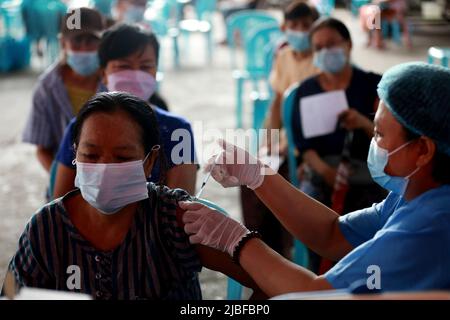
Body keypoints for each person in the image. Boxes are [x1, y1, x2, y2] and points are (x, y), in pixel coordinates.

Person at [180, 62, 450, 296]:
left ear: (424, 150)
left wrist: (236, 240)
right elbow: (332, 234)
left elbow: (314, 296)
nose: (374, 143)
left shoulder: (431, 225)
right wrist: (257, 174)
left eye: (378, 133)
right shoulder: (412, 193)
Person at [5, 92, 264, 300]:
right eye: (91, 155)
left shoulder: (176, 219)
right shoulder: (47, 228)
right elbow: (14, 294)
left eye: (123, 157)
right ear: (75, 154)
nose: (104, 167)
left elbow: (272, 282)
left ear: (150, 161)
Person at [52, 24, 198, 199]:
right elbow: (61, 204)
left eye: (145, 67)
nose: (136, 75)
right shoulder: (81, 127)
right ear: (103, 73)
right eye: (123, 66)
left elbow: (180, 209)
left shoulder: (177, 131)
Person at [289, 17, 386, 271]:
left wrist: (364, 124)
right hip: (322, 170)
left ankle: (367, 278)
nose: (325, 52)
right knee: (312, 218)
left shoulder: (374, 86)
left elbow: (392, 139)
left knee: (375, 225)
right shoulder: (305, 92)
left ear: (349, 44)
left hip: (370, 173)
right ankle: (318, 278)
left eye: (332, 44)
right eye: (318, 48)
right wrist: (326, 172)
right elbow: (305, 148)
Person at [240, 0, 319, 259]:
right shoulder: (284, 56)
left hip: (310, 139)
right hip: (284, 141)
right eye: (293, 25)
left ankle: (287, 253)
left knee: (279, 184)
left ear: (314, 27)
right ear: (284, 27)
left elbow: (320, 115)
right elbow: (277, 103)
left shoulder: (321, 60)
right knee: (249, 178)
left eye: (305, 26)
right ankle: (265, 252)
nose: (299, 31)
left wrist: (287, 145)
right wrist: (269, 141)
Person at [22, 8, 106, 173]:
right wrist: (63, 183)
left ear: (102, 43)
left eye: (91, 41)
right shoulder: (47, 87)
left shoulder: (112, 81)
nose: (84, 48)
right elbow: (43, 149)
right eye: (77, 41)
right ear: (63, 44)